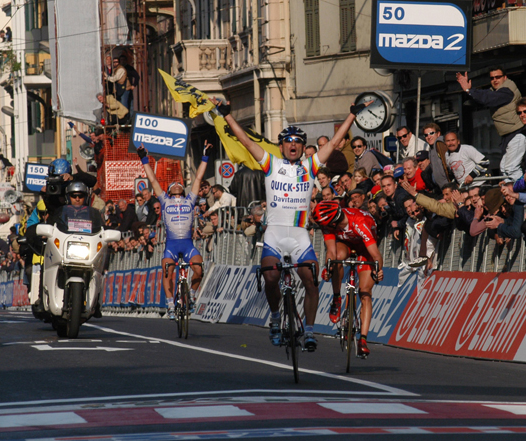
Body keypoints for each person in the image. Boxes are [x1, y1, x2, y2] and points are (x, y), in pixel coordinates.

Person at [214, 97, 370, 352]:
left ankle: (309, 330)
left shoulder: (310, 166)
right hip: (274, 235)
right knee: (271, 277)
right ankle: (276, 316)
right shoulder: (270, 164)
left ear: (302, 146)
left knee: (311, 279)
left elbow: (332, 143)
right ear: (282, 145)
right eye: (289, 141)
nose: (293, 145)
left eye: (298, 142)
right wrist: (228, 116)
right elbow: (246, 141)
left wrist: (351, 116)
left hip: (299, 235)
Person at [137, 141, 209, 319]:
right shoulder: (164, 200)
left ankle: (191, 293)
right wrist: (143, 158)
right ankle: (170, 303)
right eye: (173, 184)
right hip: (171, 245)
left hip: (187, 244)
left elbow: (198, 179)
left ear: (183, 191)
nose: (177, 184)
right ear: (169, 191)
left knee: (199, 269)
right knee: (167, 270)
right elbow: (153, 179)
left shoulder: (189, 200)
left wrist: (205, 156)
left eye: (179, 184)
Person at [313, 200, 384, 358]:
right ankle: (337, 298)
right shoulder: (329, 223)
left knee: (365, 292)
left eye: (324, 225)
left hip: (365, 247)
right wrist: (328, 268)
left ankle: (363, 340)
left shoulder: (360, 223)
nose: (323, 228)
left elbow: (376, 254)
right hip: (345, 243)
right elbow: (331, 252)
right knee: (337, 259)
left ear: (333, 221)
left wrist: (378, 270)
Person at [457, 67, 526, 181]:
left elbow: (490, 98)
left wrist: (469, 91)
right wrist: (469, 92)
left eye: (498, 77)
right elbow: (485, 95)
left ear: (505, 77)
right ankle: (512, 193)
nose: (495, 80)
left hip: (517, 134)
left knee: (511, 168)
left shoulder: (508, 89)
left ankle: (519, 194)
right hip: (508, 136)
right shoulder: (496, 90)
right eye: (492, 78)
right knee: (504, 168)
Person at [422, 123, 451, 189]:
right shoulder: (431, 149)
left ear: (438, 134)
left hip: (449, 185)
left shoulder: (440, 143)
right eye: (426, 135)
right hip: (442, 187)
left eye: (431, 133)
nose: (429, 137)